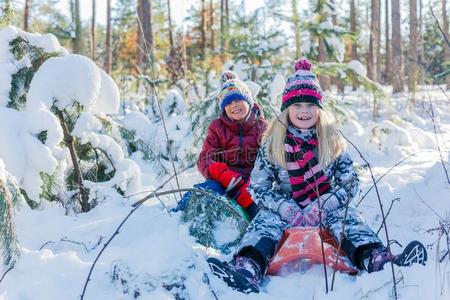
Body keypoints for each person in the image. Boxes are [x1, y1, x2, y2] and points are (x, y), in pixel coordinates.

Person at [207, 59, 427, 294]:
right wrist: (282, 206)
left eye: (310, 105)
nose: (304, 111)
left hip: (325, 206)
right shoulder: (273, 143)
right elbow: (258, 186)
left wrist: (324, 204)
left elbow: (349, 182)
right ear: (287, 109)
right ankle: (248, 267)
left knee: (348, 221)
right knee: (264, 224)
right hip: (284, 207)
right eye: (297, 105)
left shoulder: (332, 141)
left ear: (320, 109)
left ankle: (377, 259)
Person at [172, 70, 268, 220]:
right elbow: (205, 159)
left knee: (259, 210)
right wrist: (222, 174)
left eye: (238, 99)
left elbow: (269, 162)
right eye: (228, 102)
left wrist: (249, 186)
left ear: (249, 100)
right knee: (206, 190)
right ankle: (175, 216)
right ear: (223, 108)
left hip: (252, 186)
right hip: (225, 183)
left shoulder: (262, 128)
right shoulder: (217, 127)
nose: (234, 105)